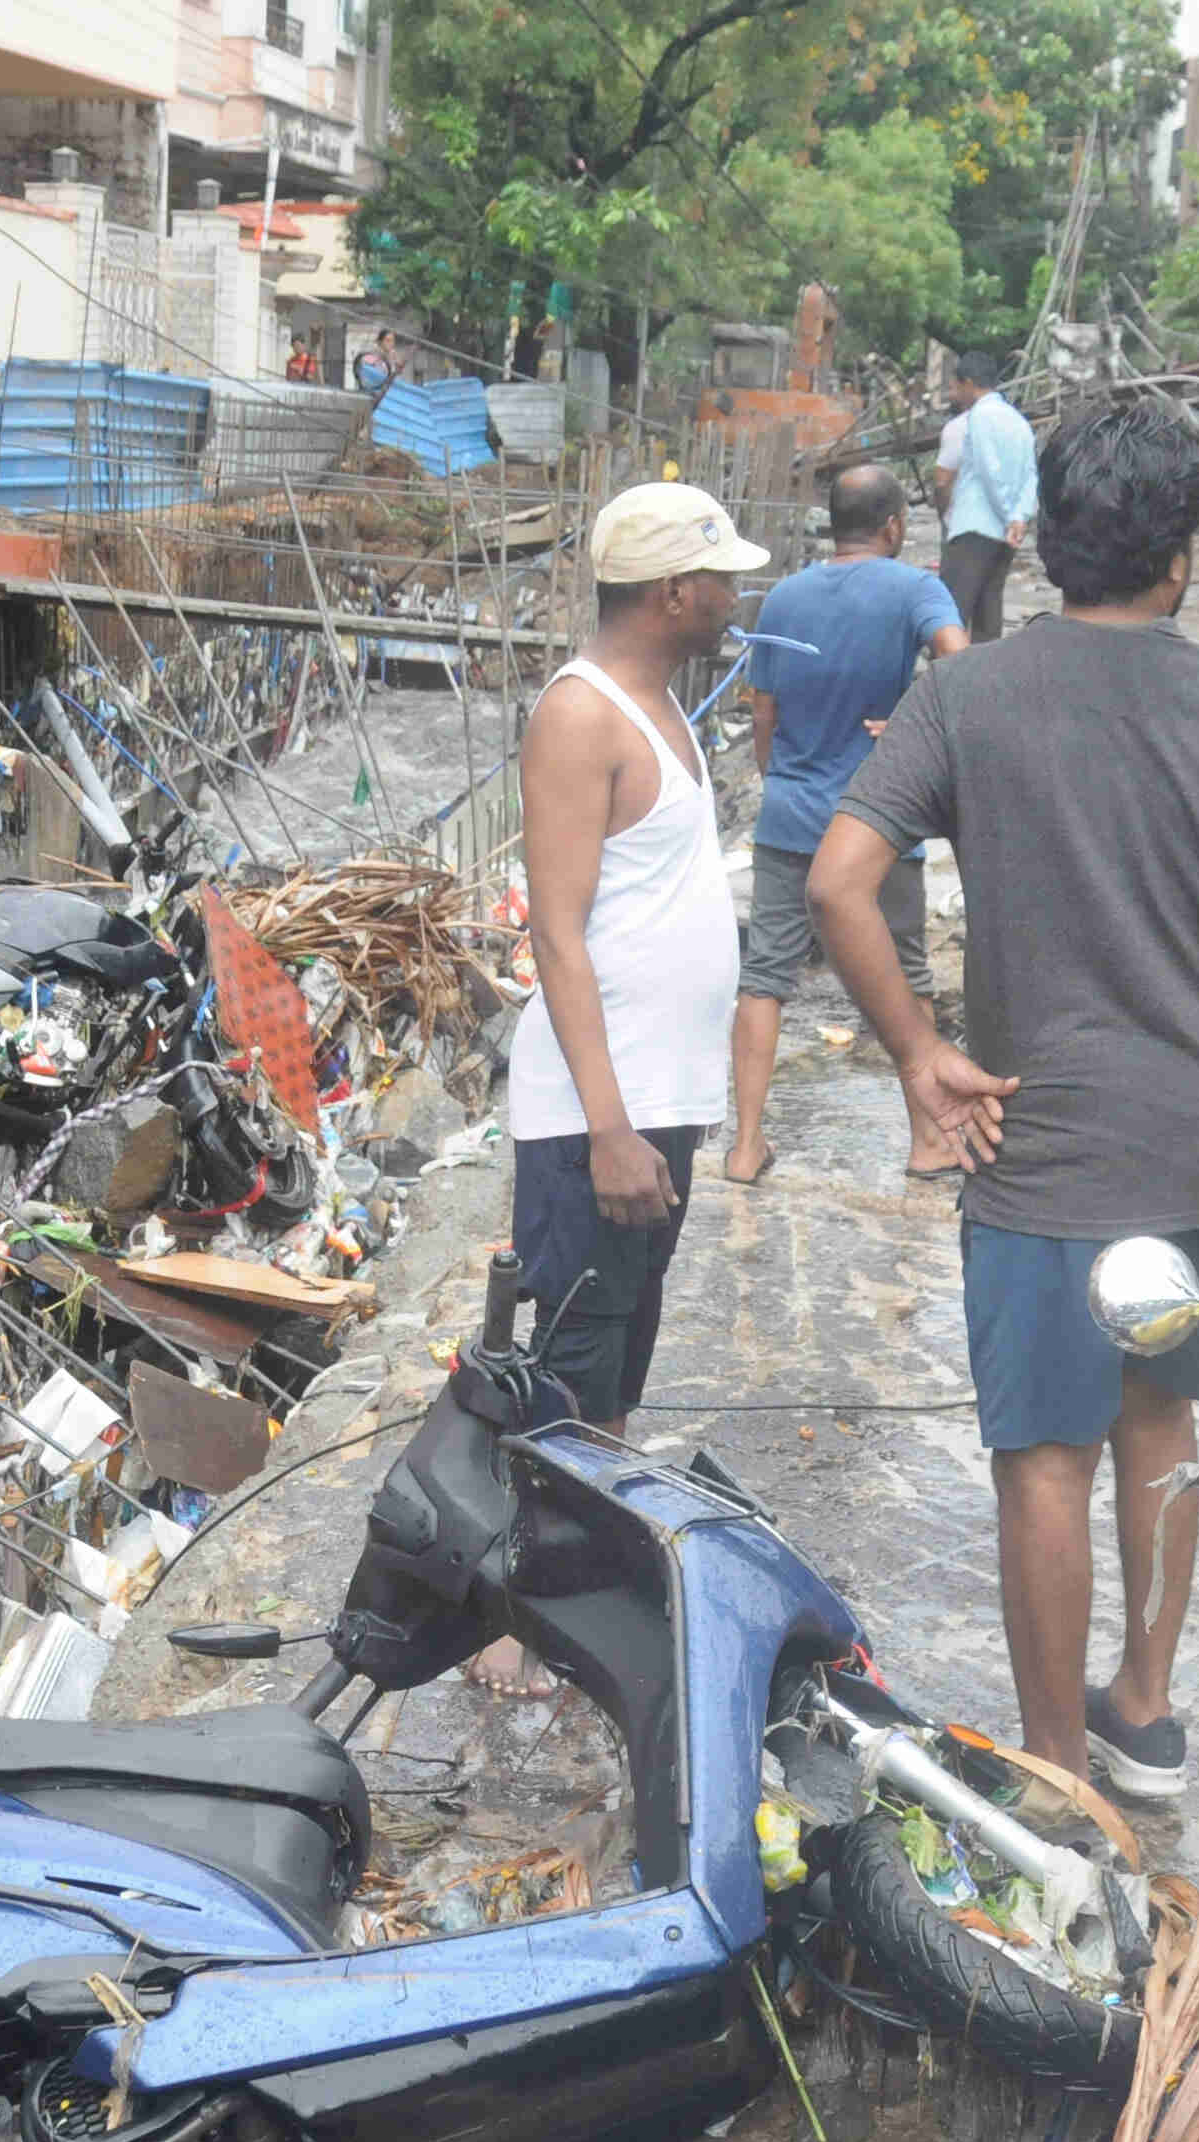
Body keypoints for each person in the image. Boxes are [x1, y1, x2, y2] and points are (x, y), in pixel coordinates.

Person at [808, 399, 1199, 1800]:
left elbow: (836, 880)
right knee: (1162, 1426)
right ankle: (1145, 1719)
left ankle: (1056, 1773)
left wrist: (919, 1053)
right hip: (1198, 1138)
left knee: (1045, 1459)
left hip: (1038, 1144)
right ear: (1182, 556)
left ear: (1041, 540)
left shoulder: (966, 697)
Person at [492, 483, 763, 1685]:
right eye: (721, 578)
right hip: (592, 1114)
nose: (735, 594)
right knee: (556, 1363)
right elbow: (555, 932)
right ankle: (508, 1615)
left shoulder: (663, 706)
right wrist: (606, 1125)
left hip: (655, 1101)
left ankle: (577, 1582)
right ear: (671, 591)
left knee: (614, 1363)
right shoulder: (579, 715)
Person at [729, 465, 970, 1186]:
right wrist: (911, 725)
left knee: (764, 977)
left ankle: (744, 1146)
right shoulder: (915, 587)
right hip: (880, 817)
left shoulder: (783, 596)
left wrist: (784, 780)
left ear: (834, 524)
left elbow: (762, 713)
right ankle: (928, 1140)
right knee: (907, 974)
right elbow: (961, 665)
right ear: (894, 524)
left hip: (789, 816)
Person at [936, 349, 1039, 642]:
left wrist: (1009, 515)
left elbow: (989, 470)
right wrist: (1018, 518)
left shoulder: (980, 416)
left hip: (974, 527)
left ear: (969, 383)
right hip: (1006, 536)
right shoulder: (1019, 422)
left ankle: (945, 681)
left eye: (957, 386)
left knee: (952, 615)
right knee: (988, 613)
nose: (956, 393)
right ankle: (986, 681)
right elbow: (1031, 474)